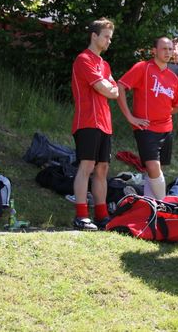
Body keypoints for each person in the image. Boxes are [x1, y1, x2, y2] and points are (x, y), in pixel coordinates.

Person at [117, 36, 178, 200]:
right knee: (153, 167)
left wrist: (162, 111)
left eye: (170, 49)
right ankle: (164, 204)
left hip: (166, 129)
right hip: (146, 128)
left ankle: (150, 206)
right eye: (164, 48)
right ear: (154, 51)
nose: (167, 52)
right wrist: (130, 117)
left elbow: (176, 106)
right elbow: (120, 86)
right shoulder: (143, 68)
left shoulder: (173, 78)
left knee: (155, 171)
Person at [71, 18, 119, 231]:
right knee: (87, 166)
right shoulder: (83, 59)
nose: (109, 41)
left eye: (110, 37)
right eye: (106, 37)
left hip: (105, 123)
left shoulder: (105, 65)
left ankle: (101, 215)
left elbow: (115, 92)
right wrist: (107, 87)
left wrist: (108, 87)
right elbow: (105, 89)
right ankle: (81, 216)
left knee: (102, 169)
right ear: (94, 36)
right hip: (87, 121)